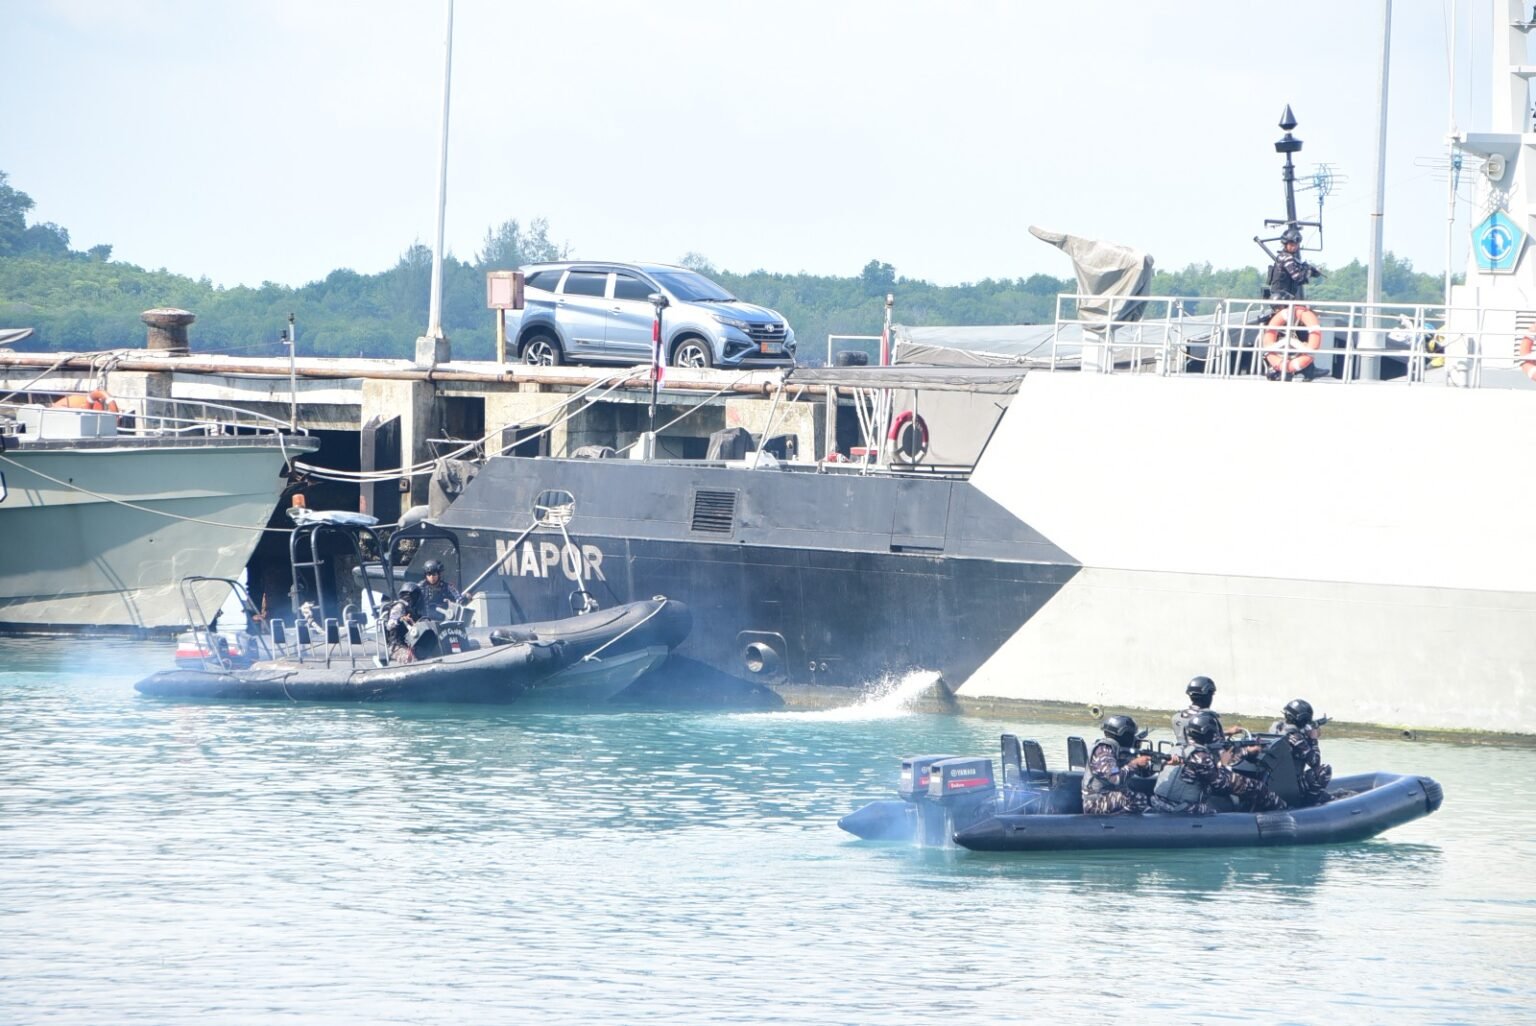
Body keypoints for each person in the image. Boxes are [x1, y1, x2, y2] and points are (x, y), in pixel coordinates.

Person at [1151, 710, 1286, 815]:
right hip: (1180, 810)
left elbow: (1204, 770)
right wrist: (1225, 764)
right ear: (1208, 735)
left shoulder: (1177, 748)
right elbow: (1223, 785)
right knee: (1256, 787)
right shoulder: (1201, 756)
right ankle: (1283, 811)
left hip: (1158, 802)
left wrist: (1243, 752)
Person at [1081, 714, 1163, 815]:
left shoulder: (1120, 751)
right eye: (1130, 734)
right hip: (1096, 802)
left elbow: (1143, 773)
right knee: (1139, 799)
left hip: (1110, 798)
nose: (1133, 738)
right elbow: (1115, 777)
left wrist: (1161, 764)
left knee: (1149, 806)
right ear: (1122, 734)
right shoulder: (1103, 750)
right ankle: (1117, 823)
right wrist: (1134, 763)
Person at [1274, 698, 1334, 806]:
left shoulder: (1276, 729)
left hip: (1276, 784)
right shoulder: (1296, 738)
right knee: (1325, 770)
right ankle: (1308, 804)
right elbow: (1315, 762)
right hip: (1292, 786)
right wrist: (1313, 739)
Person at [1171, 675, 1247, 744]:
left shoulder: (1178, 717)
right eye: (1211, 694)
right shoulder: (1208, 717)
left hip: (1185, 754)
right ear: (1208, 695)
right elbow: (1217, 743)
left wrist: (1228, 732)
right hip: (1205, 755)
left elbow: (1197, 735)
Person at [383, 581, 426, 664]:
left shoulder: (413, 611)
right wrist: (400, 620)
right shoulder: (399, 607)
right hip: (397, 646)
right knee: (412, 660)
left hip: (412, 645)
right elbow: (390, 625)